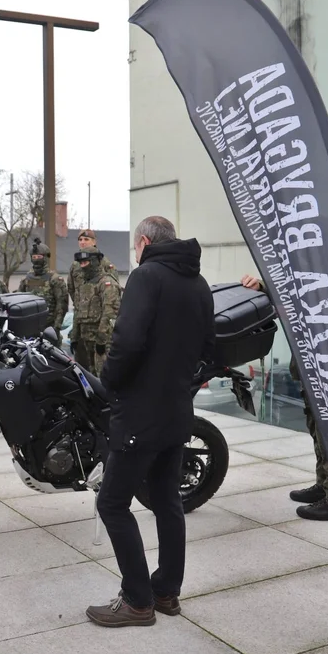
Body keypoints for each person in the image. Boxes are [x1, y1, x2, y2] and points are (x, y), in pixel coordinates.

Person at [87, 216, 214, 628]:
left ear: (143, 242)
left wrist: (108, 383)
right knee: (167, 503)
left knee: (112, 502)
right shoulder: (198, 284)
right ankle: (166, 591)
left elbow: (127, 340)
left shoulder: (146, 277)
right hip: (177, 412)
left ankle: (138, 599)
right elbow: (208, 348)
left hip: (140, 414)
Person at [240, 259, 328, 522]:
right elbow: (296, 290)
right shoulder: (321, 266)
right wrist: (263, 286)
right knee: (317, 427)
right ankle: (326, 486)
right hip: (314, 363)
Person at [69, 246, 121, 375]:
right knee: (89, 376)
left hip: (102, 342)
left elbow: (110, 313)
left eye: (85, 262)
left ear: (95, 261)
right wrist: (75, 336)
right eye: (81, 263)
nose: (83, 266)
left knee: (103, 376)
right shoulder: (83, 285)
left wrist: (102, 340)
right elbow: (78, 310)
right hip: (86, 339)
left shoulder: (107, 283)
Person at [17, 238, 68, 332]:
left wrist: (56, 327)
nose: (36, 260)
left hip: (49, 328)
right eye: (34, 257)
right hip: (29, 327)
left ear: (45, 258)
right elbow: (19, 302)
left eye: (39, 257)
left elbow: (62, 306)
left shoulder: (55, 279)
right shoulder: (26, 280)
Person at [67, 228, 119, 305]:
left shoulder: (104, 263)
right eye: (80, 240)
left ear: (94, 242)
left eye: (86, 239)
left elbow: (114, 291)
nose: (82, 242)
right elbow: (71, 289)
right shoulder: (75, 265)